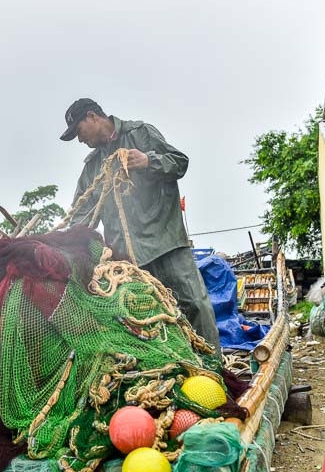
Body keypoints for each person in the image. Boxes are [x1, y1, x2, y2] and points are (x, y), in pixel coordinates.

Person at [60, 98, 221, 355]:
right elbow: (81, 214)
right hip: (129, 261)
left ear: (92, 116)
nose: (80, 140)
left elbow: (180, 162)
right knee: (148, 321)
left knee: (194, 305)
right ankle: (174, 375)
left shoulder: (140, 133)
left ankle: (215, 368)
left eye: (78, 132)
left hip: (166, 244)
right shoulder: (92, 166)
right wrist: (59, 244)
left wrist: (148, 161)